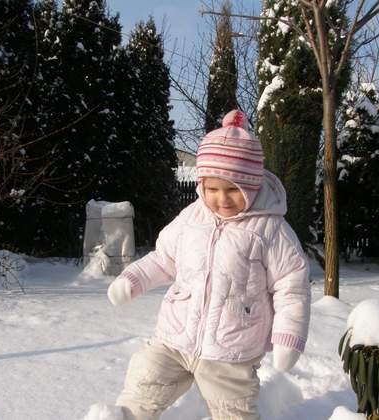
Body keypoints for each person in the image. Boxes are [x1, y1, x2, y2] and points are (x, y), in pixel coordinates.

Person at [108, 110, 311, 420]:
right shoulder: (191, 217)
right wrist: (132, 279)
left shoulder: (271, 230)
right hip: (175, 338)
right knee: (144, 380)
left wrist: (287, 337)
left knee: (234, 412)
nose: (221, 199)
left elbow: (291, 288)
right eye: (212, 189)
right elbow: (164, 258)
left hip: (232, 351)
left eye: (233, 189)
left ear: (252, 185)